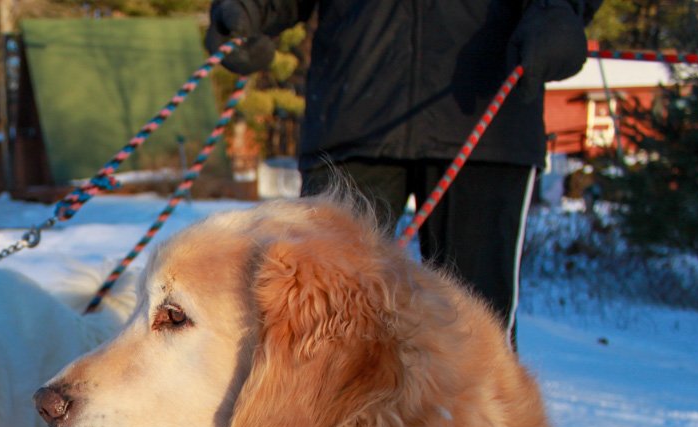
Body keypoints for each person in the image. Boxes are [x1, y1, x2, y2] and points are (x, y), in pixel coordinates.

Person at [206, 0, 602, 349]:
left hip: (485, 115)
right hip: (354, 113)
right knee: (320, 326)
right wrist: (246, 10)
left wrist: (560, 9)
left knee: (476, 339)